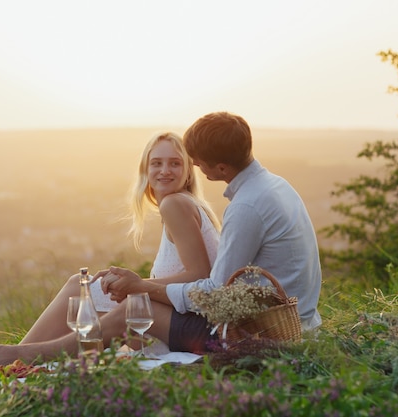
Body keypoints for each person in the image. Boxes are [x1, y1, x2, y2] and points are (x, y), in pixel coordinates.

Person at [0, 132, 220, 367]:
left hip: (183, 323)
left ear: (188, 172)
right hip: (176, 317)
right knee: (80, 286)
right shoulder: (186, 204)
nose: (164, 171)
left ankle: (17, 360)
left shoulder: (175, 204)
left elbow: (199, 274)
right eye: (156, 163)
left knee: (79, 294)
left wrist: (137, 285)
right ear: (145, 170)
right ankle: (18, 361)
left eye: (175, 163)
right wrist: (129, 283)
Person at [98, 111, 322, 352]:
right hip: (297, 320)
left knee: (130, 309)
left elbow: (213, 294)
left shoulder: (246, 207)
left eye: (198, 161)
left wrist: (142, 286)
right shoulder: (277, 185)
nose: (195, 165)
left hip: (266, 333)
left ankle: (54, 358)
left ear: (222, 168)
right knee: (125, 307)